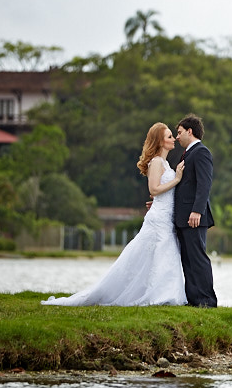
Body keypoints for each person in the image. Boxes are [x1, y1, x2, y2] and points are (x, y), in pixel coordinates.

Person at [42, 123, 187, 306]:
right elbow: (154, 189)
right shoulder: (157, 162)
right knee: (155, 254)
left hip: (166, 216)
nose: (173, 139)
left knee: (162, 255)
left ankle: (165, 294)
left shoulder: (165, 163)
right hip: (158, 219)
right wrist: (177, 179)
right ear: (160, 141)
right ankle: (158, 295)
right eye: (168, 137)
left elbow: (162, 193)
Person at [174, 113, 218, 308]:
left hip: (194, 216)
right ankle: (194, 300)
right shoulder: (188, 153)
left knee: (198, 258)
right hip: (184, 216)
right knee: (188, 259)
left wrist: (197, 211)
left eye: (179, 132)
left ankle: (207, 301)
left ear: (189, 131)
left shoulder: (201, 152)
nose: (177, 137)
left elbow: (204, 184)